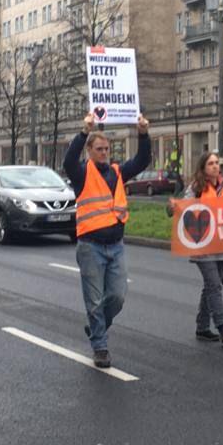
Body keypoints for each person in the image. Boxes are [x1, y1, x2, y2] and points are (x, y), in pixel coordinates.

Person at [63, 112, 151, 368]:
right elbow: (69, 161)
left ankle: (95, 325)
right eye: (99, 149)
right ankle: (100, 347)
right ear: (89, 151)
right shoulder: (81, 174)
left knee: (117, 297)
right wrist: (83, 132)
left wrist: (143, 133)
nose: (104, 153)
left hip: (116, 246)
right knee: (94, 300)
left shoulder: (118, 172)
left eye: (107, 149)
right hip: (91, 246)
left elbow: (143, 160)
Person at [166, 151, 223, 345]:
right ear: (203, 168)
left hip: (222, 243)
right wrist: (173, 206)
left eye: (216, 163)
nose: (215, 166)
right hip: (202, 243)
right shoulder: (196, 187)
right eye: (210, 163)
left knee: (212, 285)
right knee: (214, 285)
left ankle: (202, 327)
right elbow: (183, 207)